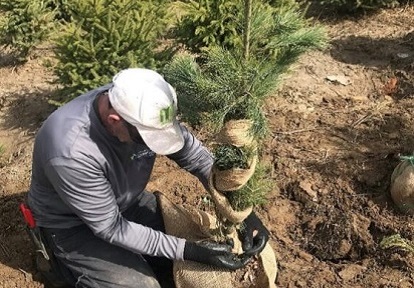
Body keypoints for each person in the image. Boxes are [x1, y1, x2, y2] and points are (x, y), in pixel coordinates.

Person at [27, 68, 270, 288]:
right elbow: (111, 228)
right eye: (148, 139)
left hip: (126, 202)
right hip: (74, 225)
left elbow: (195, 156)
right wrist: (190, 251)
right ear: (115, 121)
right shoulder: (70, 152)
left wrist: (241, 212)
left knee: (187, 247)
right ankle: (59, 264)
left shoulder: (143, 109)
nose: (154, 144)